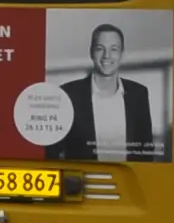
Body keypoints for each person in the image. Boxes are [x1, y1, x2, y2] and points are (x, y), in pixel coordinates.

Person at [50, 21, 159, 161]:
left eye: (114, 49)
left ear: (122, 54)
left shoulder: (139, 94)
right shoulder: (68, 94)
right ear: (91, 53)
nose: (107, 55)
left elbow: (147, 150)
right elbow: (52, 152)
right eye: (100, 48)